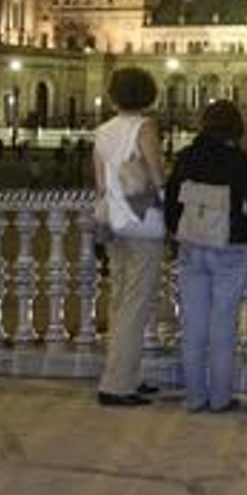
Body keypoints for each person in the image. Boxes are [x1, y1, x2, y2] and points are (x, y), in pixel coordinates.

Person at [165, 99, 247, 414]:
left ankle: (195, 397)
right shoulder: (240, 161)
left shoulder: (186, 157)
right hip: (228, 248)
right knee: (222, 325)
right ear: (235, 128)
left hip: (192, 248)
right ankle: (221, 398)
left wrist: (178, 233)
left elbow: (171, 203)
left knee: (193, 324)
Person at [92, 67, 166, 408]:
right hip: (143, 222)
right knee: (135, 303)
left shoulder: (102, 131)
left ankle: (127, 374)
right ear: (147, 94)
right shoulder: (144, 127)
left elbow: (101, 185)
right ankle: (117, 384)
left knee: (120, 298)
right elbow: (157, 175)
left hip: (114, 222)